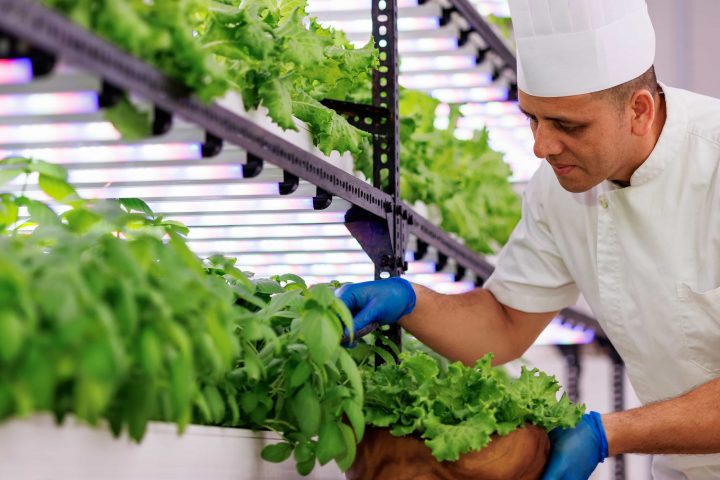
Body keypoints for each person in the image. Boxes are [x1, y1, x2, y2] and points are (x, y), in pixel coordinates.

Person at [337, 0, 720, 478]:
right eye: (533, 118)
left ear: (639, 110)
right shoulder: (558, 188)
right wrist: (411, 302)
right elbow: (504, 322)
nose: (541, 146)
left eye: (569, 125)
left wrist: (609, 434)